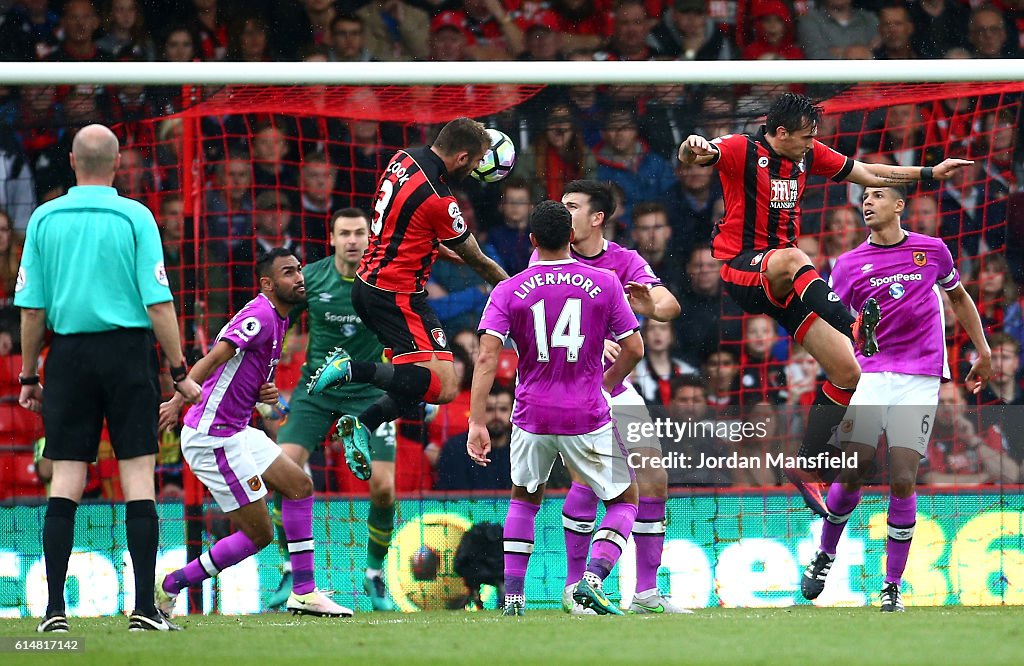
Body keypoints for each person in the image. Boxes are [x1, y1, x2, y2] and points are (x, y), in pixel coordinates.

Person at [678, 92, 973, 516]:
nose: (810, 143)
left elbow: (868, 171)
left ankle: (808, 462)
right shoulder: (743, 149)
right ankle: (854, 323)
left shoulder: (807, 153)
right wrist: (693, 145)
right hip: (743, 270)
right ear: (779, 133)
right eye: (803, 137)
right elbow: (699, 152)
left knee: (849, 373)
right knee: (797, 257)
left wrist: (929, 172)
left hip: (785, 280)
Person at [15, 124, 201, 633]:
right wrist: (179, 370)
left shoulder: (44, 218)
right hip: (127, 354)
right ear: (117, 165)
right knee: (138, 476)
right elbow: (159, 302)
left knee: (67, 479)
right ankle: (144, 607)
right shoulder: (136, 215)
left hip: (69, 355)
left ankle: (54, 611)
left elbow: (30, 311)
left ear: (73, 160)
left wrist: (30, 375)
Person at [799, 185, 991, 612]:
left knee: (903, 477)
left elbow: (957, 296)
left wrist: (984, 350)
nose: (868, 202)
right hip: (871, 375)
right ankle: (826, 555)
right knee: (852, 472)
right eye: (864, 197)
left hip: (920, 376)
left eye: (878, 195)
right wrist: (841, 349)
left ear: (899, 205)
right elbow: (833, 319)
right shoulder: (847, 265)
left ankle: (891, 586)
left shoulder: (933, 251)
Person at [468, 200, 644, 616]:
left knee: (524, 500)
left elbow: (486, 358)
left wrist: (477, 420)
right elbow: (634, 348)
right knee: (625, 501)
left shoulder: (508, 290)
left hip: (531, 415)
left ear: (531, 241)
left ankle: (512, 598)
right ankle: (593, 579)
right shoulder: (604, 282)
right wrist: (604, 384)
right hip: (585, 412)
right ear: (571, 237)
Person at [156, 248, 353, 619]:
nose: (298, 278)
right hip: (211, 437)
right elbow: (213, 358)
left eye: (299, 271)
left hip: (237, 430)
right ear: (267, 283)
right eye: (287, 273)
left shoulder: (280, 319)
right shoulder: (261, 314)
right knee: (260, 535)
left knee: (300, 486)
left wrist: (267, 395)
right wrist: (175, 400)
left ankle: (305, 593)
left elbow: (243, 375)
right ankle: (172, 583)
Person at [306, 117, 507, 473]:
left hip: (372, 285)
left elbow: (414, 232)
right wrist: (518, 290)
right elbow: (476, 259)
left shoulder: (403, 159)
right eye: (476, 162)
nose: (476, 168)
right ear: (461, 157)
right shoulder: (439, 199)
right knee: (443, 388)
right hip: (395, 296)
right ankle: (351, 368)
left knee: (426, 381)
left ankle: (362, 424)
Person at [546, 179, 685, 614]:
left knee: (654, 478)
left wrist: (648, 305)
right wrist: (589, 341)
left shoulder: (623, 260)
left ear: (596, 217)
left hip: (615, 385)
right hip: (566, 386)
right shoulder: (549, 257)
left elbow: (668, 306)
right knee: (589, 480)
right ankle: (573, 589)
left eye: (572, 206)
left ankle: (645, 594)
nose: (563, 213)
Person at [268, 208, 399, 612]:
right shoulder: (311, 278)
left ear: (370, 235)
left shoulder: (387, 278)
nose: (353, 240)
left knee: (384, 487)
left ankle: (374, 576)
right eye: (345, 234)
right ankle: (291, 569)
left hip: (370, 393)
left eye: (360, 232)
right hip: (316, 392)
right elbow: (275, 320)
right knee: (283, 471)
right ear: (332, 238)